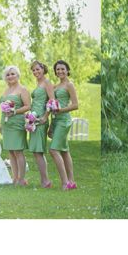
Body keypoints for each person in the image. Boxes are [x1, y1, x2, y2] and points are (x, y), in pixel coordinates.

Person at [49, 60, 79, 190]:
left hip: (64, 120)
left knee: (53, 150)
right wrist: (51, 124)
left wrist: (60, 110)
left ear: (67, 70)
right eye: (57, 69)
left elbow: (75, 105)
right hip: (55, 120)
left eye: (62, 69)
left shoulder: (69, 85)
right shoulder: (55, 87)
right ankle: (72, 181)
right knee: (64, 150)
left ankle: (64, 182)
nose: (60, 71)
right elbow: (51, 106)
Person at [0, 65, 31, 186]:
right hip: (7, 124)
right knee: (11, 152)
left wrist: (15, 111)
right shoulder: (6, 90)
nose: (10, 76)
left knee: (18, 151)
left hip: (17, 123)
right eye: (8, 74)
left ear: (18, 75)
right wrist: (2, 124)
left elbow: (28, 106)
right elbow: (4, 109)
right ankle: (15, 177)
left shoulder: (22, 89)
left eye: (12, 74)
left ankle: (21, 179)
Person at [29, 61, 55, 188]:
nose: (36, 72)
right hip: (34, 119)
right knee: (35, 151)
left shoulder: (47, 82)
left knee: (39, 150)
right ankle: (44, 180)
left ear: (43, 69)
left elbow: (52, 101)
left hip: (41, 119)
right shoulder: (38, 83)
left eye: (37, 69)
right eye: (33, 70)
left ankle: (46, 181)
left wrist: (45, 116)